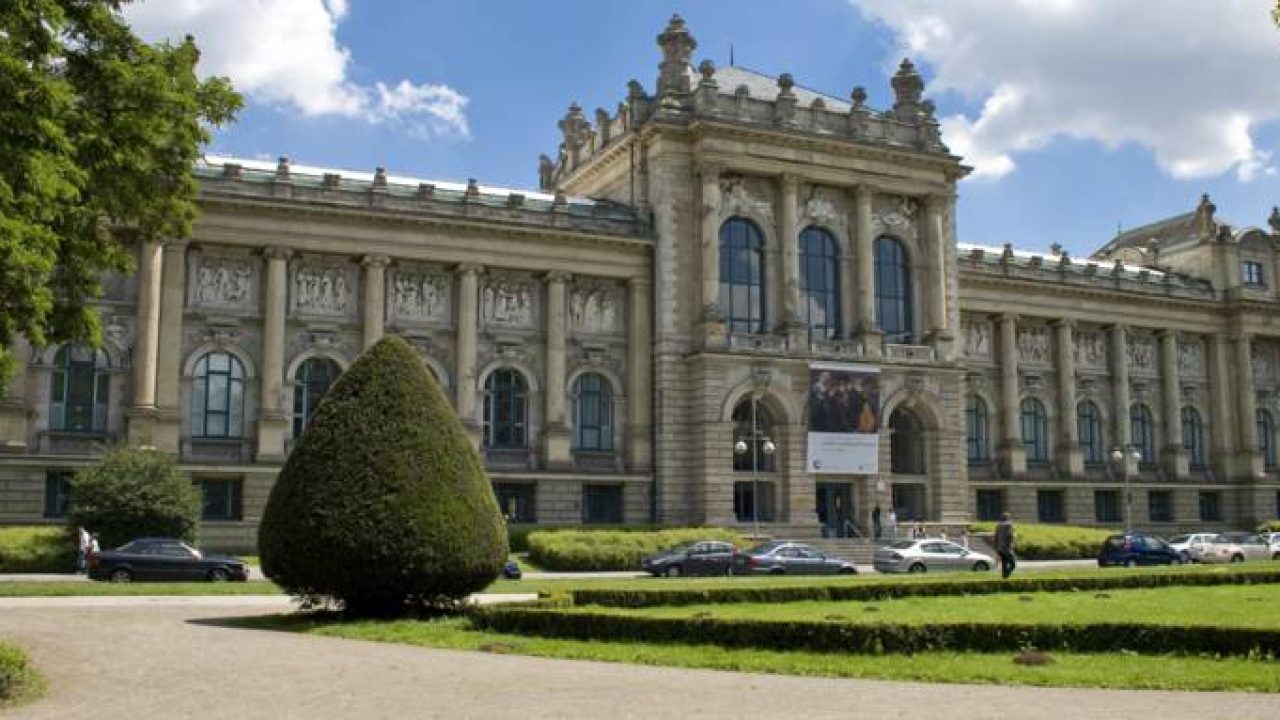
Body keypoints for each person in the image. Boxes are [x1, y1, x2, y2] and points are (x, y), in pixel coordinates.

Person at [995, 512, 1017, 579]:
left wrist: (996, 548)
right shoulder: (1009, 525)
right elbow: (1010, 535)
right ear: (1008, 518)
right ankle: (1006, 575)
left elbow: (996, 537)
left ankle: (1004, 578)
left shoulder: (998, 525)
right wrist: (1012, 543)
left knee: (1004, 565)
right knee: (1013, 564)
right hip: (1007, 548)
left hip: (1000, 548)